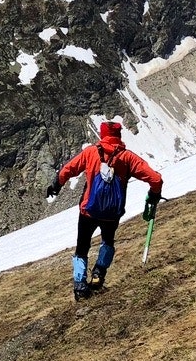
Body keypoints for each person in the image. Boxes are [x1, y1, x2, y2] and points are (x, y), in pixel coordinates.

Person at [47, 121, 163, 301]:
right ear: (119, 135)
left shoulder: (90, 152)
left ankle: (80, 286)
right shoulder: (127, 157)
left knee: (82, 247)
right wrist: (154, 195)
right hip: (112, 214)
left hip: (88, 210)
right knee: (108, 242)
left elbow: (68, 170)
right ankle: (99, 272)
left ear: (102, 134)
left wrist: (56, 185)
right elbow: (155, 179)